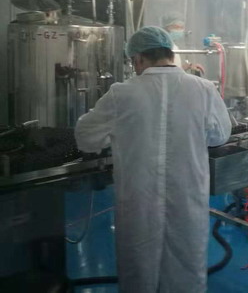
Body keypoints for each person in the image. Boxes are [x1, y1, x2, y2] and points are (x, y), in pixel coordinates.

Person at [75, 26, 232, 292]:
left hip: (139, 197)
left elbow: (86, 137)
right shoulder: (204, 89)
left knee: (137, 264)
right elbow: (220, 136)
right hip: (187, 194)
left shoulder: (122, 93)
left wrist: (115, 137)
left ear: (138, 58)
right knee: (187, 262)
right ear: (170, 53)